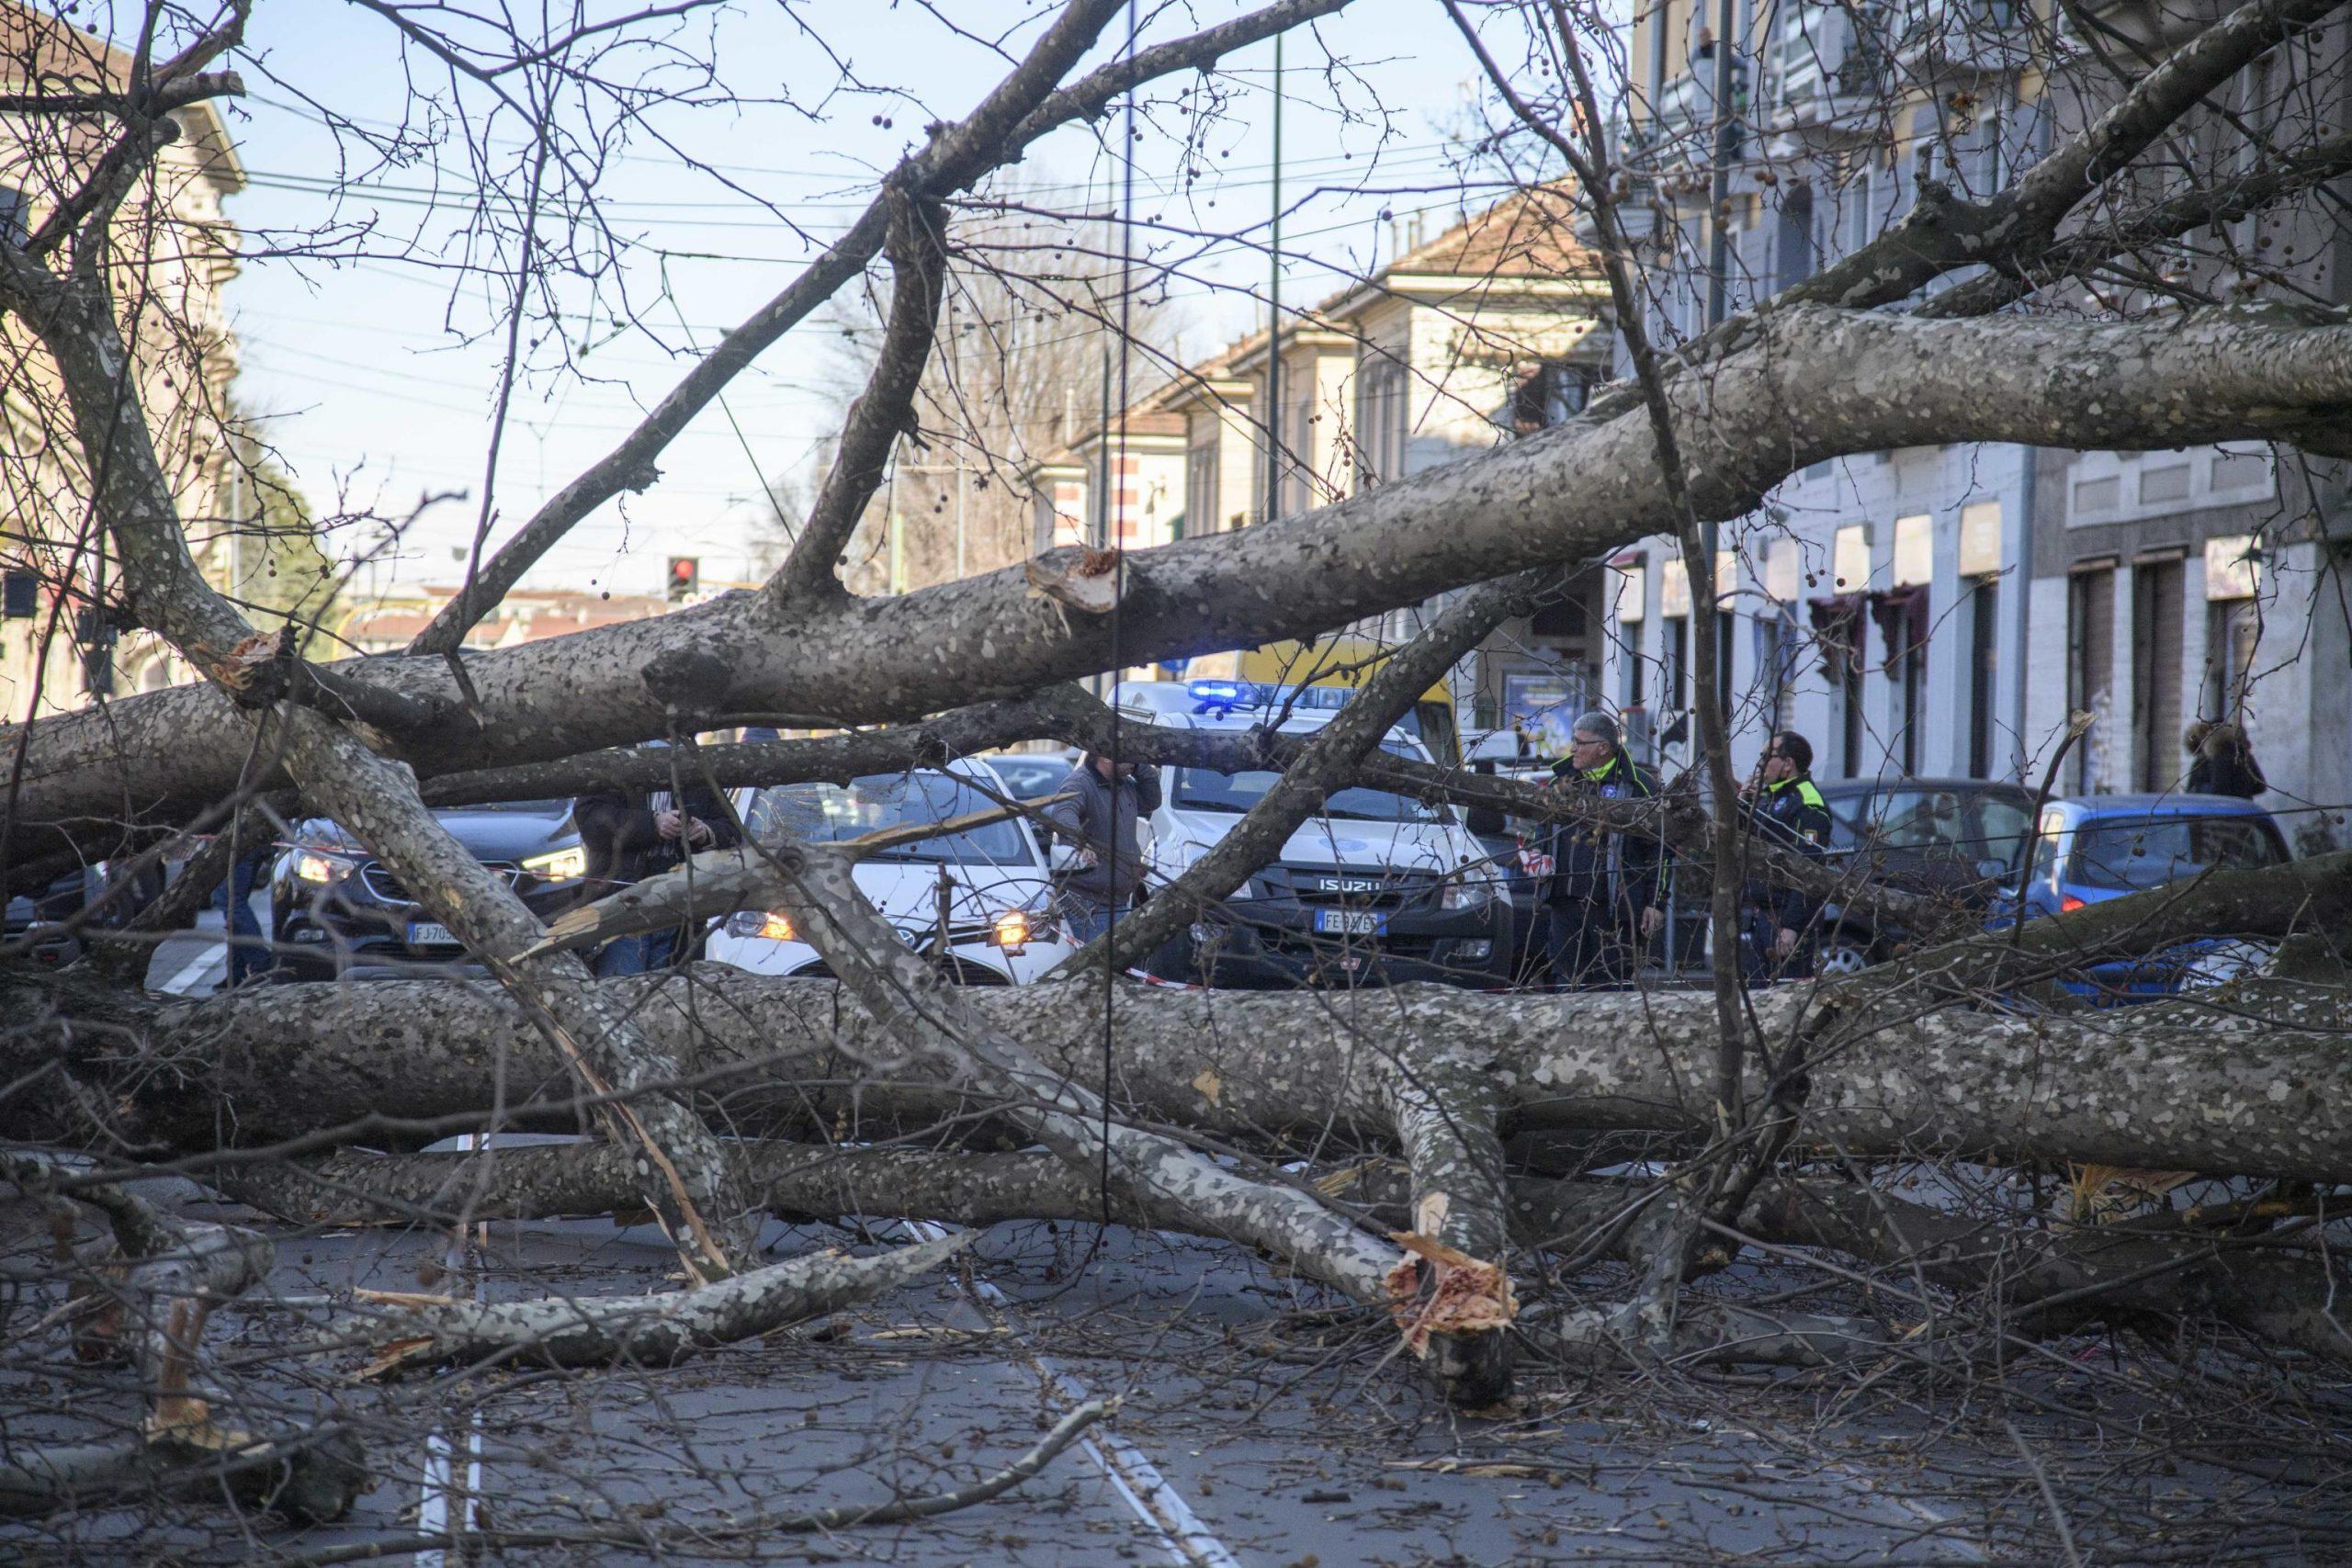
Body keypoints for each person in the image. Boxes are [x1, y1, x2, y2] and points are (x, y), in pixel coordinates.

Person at [572, 744, 740, 976]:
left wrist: (704, 830)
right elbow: (590, 821)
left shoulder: (693, 765)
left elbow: (732, 829)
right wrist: (653, 824)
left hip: (680, 907)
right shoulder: (616, 761)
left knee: (671, 998)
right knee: (620, 991)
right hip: (621, 903)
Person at [1538, 712, 1665, 989]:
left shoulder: (1638, 785)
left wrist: (1655, 902)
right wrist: (1537, 858)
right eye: (1573, 741)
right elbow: (1542, 833)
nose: (1573, 748)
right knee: (1565, 981)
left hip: (1613, 909)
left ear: (1603, 748)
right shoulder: (1562, 781)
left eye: (1580, 742)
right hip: (1564, 903)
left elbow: (1658, 850)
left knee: (1611, 983)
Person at [1739, 730, 1834, 984]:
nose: (1759, 764)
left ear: (1788, 763)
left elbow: (1809, 871)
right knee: (1758, 996)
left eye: (1765, 757)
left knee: (1786, 997)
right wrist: (1742, 804)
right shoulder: (1771, 797)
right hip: (1762, 917)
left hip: (1786, 920)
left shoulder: (1807, 803)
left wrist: (1792, 925)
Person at [1042, 750, 1161, 945]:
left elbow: (1152, 800)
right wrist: (1079, 842)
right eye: (1129, 753)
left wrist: (1140, 763)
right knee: (1094, 969)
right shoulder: (1080, 783)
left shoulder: (1124, 785)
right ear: (1106, 756)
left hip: (1118, 900)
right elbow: (1063, 813)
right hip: (1089, 905)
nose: (1135, 761)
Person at [2185, 718, 2267, 799]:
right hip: (2245, 808)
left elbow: (2218, 791)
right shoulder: (2241, 753)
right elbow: (2260, 786)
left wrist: (2201, 790)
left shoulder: (2212, 760)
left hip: (2220, 809)